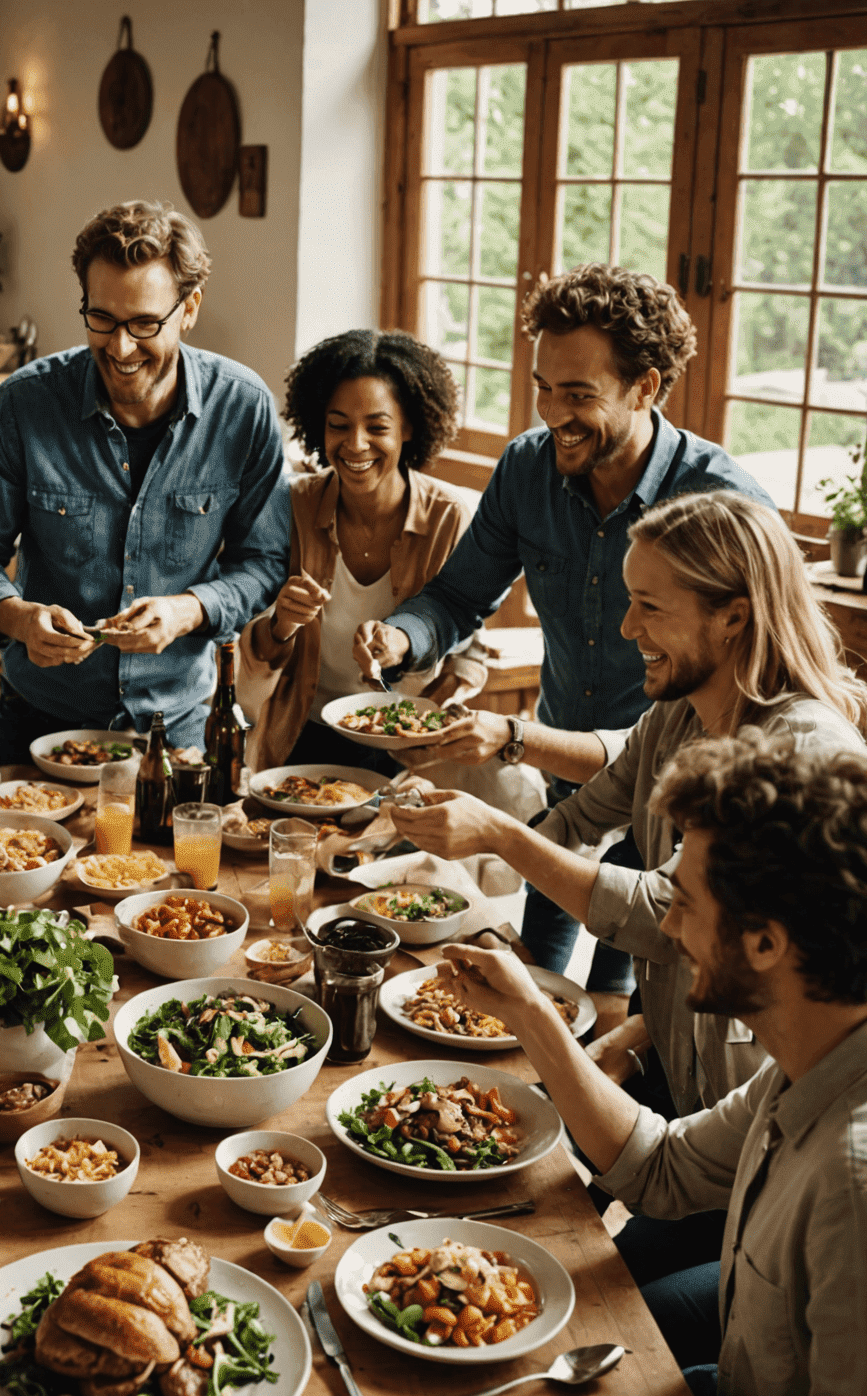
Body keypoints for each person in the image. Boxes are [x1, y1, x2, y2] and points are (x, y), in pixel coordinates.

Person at [390, 491, 866, 1281]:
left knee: (607, 1288)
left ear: (733, 619)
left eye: (648, 606)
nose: (624, 629)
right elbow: (582, 818)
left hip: (759, 1125)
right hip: (692, 1102)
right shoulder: (678, 716)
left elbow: (661, 914)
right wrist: (427, 860)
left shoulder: (806, 750)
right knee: (564, 1241)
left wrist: (501, 835)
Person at [440, 733, 867, 1396]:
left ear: (768, 943)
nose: (666, 929)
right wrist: (535, 1019)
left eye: (686, 904)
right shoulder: (805, 1062)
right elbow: (661, 1166)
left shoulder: (851, 1179)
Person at [351, 264, 774, 994]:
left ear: (645, 387)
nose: (553, 413)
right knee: (523, 978)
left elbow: (752, 697)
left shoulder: (720, 505)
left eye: (579, 394)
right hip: (565, 780)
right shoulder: (527, 469)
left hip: (672, 802)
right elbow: (457, 596)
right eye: (544, 387)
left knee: (624, 993)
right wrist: (401, 637)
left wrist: (511, 737)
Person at [0, 199, 290, 763]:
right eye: (101, 319)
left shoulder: (242, 408)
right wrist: (17, 617)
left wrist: (189, 610)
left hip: (177, 731)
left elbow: (266, 561)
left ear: (190, 307)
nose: (120, 348)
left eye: (145, 324)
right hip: (38, 723)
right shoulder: (23, 406)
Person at [240, 328, 487, 773]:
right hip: (300, 737)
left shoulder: (449, 518)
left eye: (377, 427)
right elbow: (251, 647)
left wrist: (440, 705)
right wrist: (281, 623)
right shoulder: (291, 506)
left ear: (409, 427)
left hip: (407, 748)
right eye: (339, 425)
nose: (355, 444)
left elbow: (469, 647)